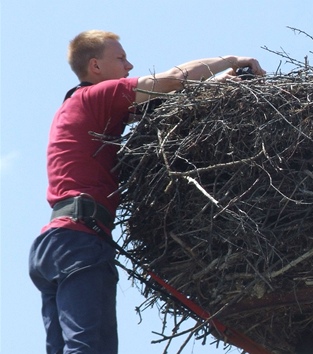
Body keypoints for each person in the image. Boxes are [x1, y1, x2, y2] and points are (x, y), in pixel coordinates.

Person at [28, 29, 265, 354]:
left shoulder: (80, 109)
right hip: (78, 243)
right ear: (95, 67)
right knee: (89, 349)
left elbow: (164, 103)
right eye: (121, 58)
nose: (129, 65)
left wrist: (219, 84)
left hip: (53, 247)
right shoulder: (96, 97)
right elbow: (172, 80)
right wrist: (233, 60)